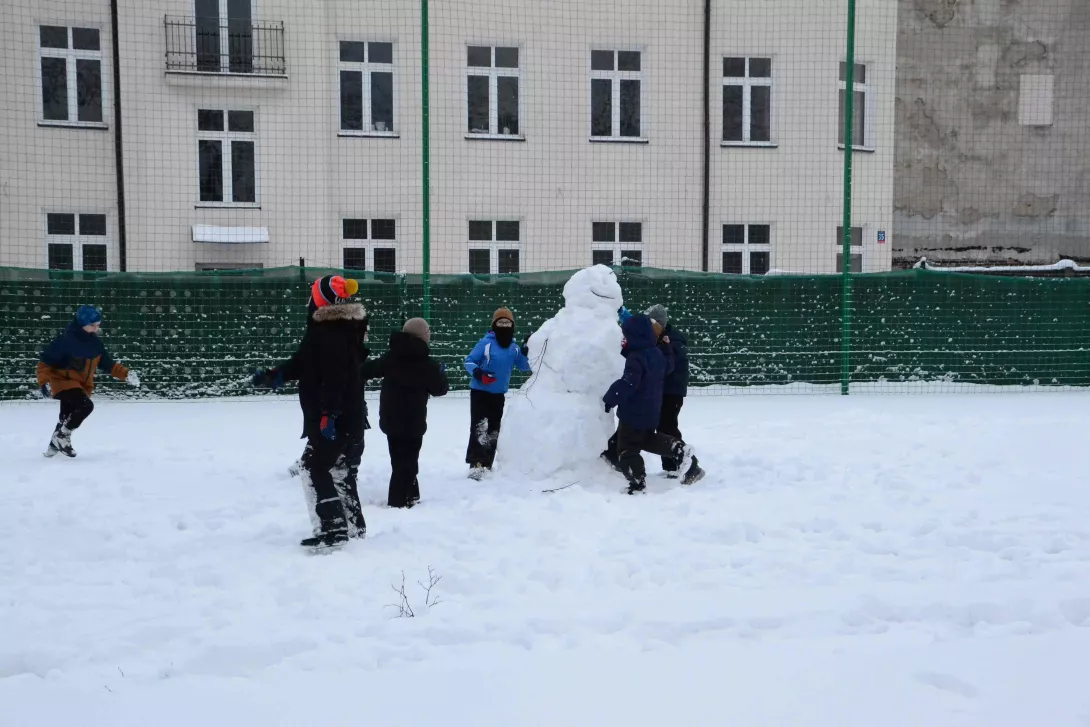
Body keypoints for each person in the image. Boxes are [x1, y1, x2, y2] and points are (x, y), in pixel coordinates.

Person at [254, 276, 369, 549]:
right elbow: (303, 363)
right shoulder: (329, 328)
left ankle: (333, 530)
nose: (308, 297)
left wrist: (329, 414)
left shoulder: (331, 332)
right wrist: (275, 376)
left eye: (312, 293)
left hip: (336, 415)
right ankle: (352, 526)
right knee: (338, 469)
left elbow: (335, 377)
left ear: (321, 299)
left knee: (313, 467)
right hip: (345, 414)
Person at [602, 314, 704, 494]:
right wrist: (665, 348)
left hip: (633, 413)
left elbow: (629, 383)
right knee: (648, 440)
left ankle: (637, 483)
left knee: (626, 449)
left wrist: (610, 398)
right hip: (650, 412)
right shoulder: (656, 353)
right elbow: (668, 366)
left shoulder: (636, 358)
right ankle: (680, 450)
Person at [362, 318, 449, 508]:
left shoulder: (391, 356)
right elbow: (440, 389)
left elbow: (369, 370)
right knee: (409, 461)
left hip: (390, 418)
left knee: (399, 459)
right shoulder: (427, 364)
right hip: (413, 421)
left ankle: (411, 495)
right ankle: (399, 501)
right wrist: (441, 375)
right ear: (424, 337)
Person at [37, 305, 138, 457]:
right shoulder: (65, 341)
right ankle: (62, 437)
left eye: (98, 325)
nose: (96, 329)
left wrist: (126, 374)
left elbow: (108, 364)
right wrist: (43, 381)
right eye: (92, 325)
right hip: (63, 381)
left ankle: (52, 450)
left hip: (81, 385)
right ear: (81, 324)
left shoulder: (95, 343)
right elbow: (45, 362)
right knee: (85, 406)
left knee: (66, 417)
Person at [463, 307, 532, 480]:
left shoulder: (514, 348)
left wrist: (526, 349)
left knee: (494, 428)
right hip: (480, 392)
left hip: (498, 395)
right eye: (500, 322)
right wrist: (479, 374)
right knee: (480, 427)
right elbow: (469, 361)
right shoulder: (485, 343)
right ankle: (476, 464)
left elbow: (524, 366)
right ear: (494, 325)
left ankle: (488, 463)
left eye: (507, 322)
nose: (503, 325)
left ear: (512, 325)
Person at [645, 304, 690, 477]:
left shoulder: (672, 342)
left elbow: (667, 367)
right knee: (665, 426)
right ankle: (672, 466)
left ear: (660, 323)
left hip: (671, 392)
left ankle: (683, 461)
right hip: (667, 390)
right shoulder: (665, 338)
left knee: (668, 426)